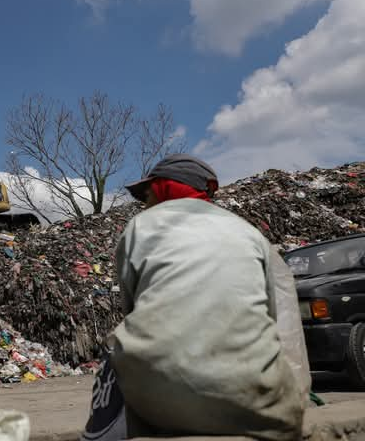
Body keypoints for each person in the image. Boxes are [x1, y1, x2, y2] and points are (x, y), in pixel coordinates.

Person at [81, 154, 305, 441]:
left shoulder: (140, 227)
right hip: (257, 402)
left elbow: (133, 311)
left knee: (117, 350)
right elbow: (272, 320)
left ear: (165, 187)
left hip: (159, 401)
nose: (144, 202)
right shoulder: (250, 234)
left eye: (148, 193)